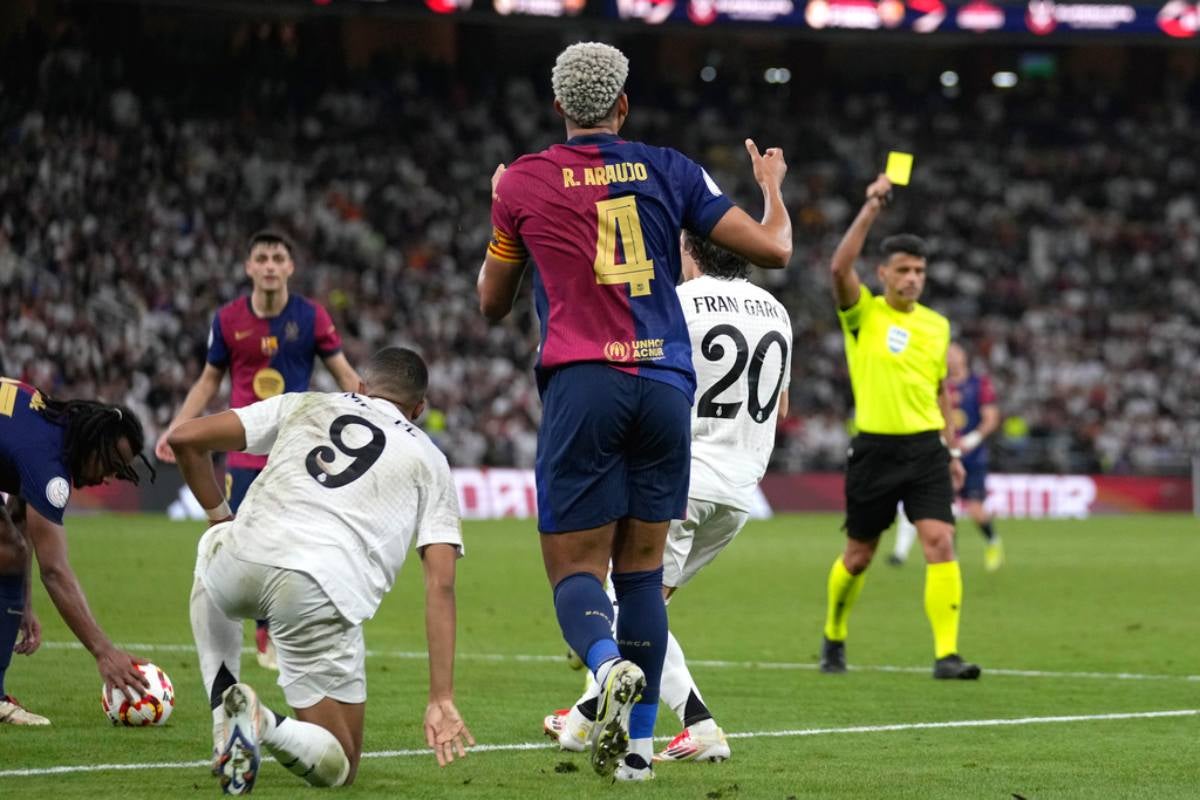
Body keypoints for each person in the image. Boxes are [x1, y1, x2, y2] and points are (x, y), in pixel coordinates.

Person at [478, 41, 791, 782]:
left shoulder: (522, 180)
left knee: (575, 570)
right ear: (623, 104)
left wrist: (505, 212)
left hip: (583, 381)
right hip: (663, 384)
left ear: (558, 107)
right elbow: (774, 249)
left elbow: (492, 305)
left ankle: (605, 662)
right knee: (644, 573)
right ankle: (639, 754)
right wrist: (772, 188)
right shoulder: (668, 167)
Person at [168, 347, 471, 794]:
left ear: (361, 388)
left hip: (243, 557)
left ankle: (224, 719)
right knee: (342, 766)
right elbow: (440, 583)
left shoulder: (307, 402)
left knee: (213, 545)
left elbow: (184, 438)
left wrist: (220, 518)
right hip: (319, 589)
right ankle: (261, 721)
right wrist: (441, 697)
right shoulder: (429, 459)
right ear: (419, 408)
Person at [543, 233, 792, 763]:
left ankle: (698, 724)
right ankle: (584, 718)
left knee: (627, 603)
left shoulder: (676, 302)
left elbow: (640, 385)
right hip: (742, 487)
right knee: (643, 604)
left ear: (689, 251)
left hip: (681, 474)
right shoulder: (777, 310)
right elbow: (783, 405)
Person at [155, 230, 361, 670]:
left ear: (290, 267)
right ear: (249, 266)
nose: (269, 265)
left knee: (296, 539)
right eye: (262, 258)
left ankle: (273, 633)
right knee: (239, 539)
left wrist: (373, 412)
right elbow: (209, 380)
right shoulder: (228, 320)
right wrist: (179, 428)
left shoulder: (312, 317)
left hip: (296, 449)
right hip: (243, 447)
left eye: (278, 258)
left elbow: (343, 373)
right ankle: (242, 629)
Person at [818, 174, 981, 681]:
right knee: (859, 556)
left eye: (920, 271)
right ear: (884, 273)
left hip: (926, 450)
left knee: (940, 542)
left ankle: (947, 655)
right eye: (904, 270)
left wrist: (952, 452)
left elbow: (939, 391)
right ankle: (834, 633)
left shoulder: (937, 326)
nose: (913, 279)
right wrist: (870, 207)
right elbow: (839, 266)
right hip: (874, 451)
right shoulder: (862, 314)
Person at [0, 378, 154, 725]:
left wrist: (18, 600)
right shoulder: (50, 470)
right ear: (94, 441)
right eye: (112, 463)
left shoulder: (53, 426)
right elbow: (53, 570)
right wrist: (104, 651)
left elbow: (18, 516)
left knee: (9, 551)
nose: (108, 477)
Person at [889, 343, 1003, 570]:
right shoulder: (939, 385)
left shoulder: (979, 384)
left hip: (973, 456)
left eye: (955, 353)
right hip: (946, 455)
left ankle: (993, 541)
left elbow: (991, 418)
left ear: (964, 357)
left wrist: (972, 439)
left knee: (975, 510)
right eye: (947, 354)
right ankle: (952, 559)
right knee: (945, 511)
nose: (950, 357)